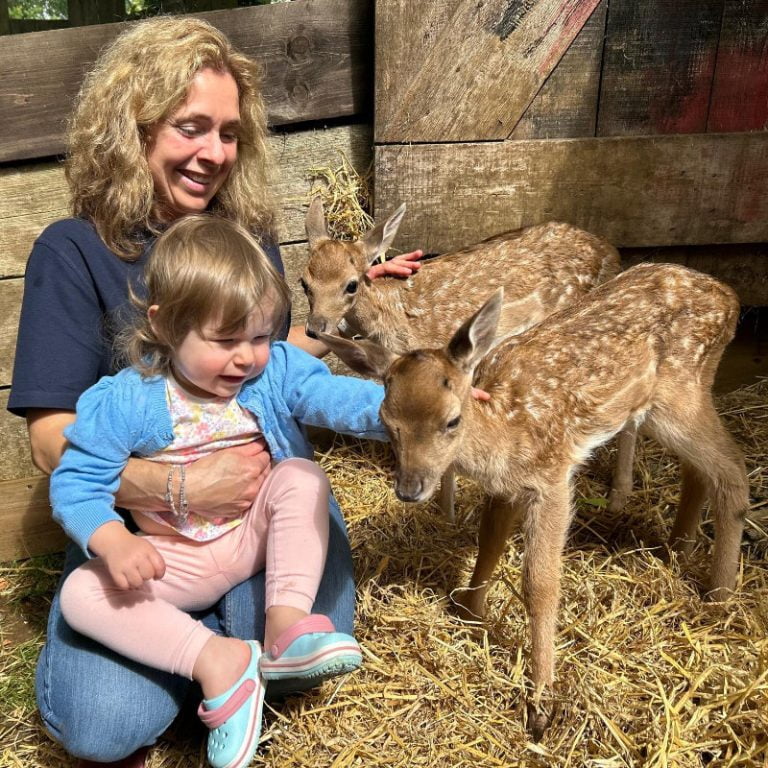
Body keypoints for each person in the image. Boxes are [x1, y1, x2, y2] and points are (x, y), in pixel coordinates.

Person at [8, 16, 420, 768]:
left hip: (264, 506)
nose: (214, 152)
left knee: (297, 627)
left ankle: (248, 648)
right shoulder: (75, 251)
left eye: (229, 132)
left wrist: (369, 316)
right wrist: (177, 487)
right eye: (191, 127)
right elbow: (50, 440)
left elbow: (276, 365)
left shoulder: (244, 236)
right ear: (133, 126)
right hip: (146, 533)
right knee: (100, 726)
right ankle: (217, 659)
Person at [52, 214, 388, 768]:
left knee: (301, 478)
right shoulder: (127, 398)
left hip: (251, 538)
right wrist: (111, 539)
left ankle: (284, 626)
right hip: (175, 559)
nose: (246, 357)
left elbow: (333, 399)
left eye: (259, 335)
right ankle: (217, 661)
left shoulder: (273, 371)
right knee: (82, 595)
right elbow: (75, 481)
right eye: (225, 339)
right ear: (164, 326)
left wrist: (404, 410)